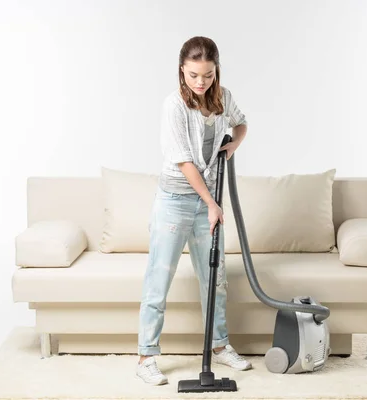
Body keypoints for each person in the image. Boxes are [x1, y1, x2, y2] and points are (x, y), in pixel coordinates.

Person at [136, 36, 251, 385]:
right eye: (192, 75)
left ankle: (220, 346)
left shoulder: (223, 97)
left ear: (216, 71)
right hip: (175, 201)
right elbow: (185, 161)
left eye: (207, 75)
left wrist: (233, 145)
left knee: (215, 279)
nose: (200, 83)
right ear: (181, 71)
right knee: (159, 280)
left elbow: (241, 122)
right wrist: (213, 204)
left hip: (208, 203)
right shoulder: (173, 106)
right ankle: (146, 357)